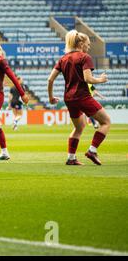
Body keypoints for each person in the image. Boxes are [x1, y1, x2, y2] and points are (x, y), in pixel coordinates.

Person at [47, 30, 111, 165]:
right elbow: (88, 79)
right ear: (81, 43)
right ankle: (92, 150)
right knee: (106, 122)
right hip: (82, 96)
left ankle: (71, 158)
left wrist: (51, 97)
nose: (88, 47)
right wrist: (101, 79)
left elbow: (50, 80)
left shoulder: (63, 58)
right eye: (87, 44)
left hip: (69, 98)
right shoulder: (84, 57)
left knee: (79, 127)